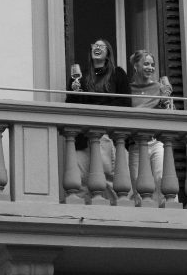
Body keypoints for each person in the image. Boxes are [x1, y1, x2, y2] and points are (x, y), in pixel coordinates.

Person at [66, 39, 131, 202]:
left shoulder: (117, 74)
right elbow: (71, 106)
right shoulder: (80, 77)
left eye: (101, 46)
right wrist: (75, 93)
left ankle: (114, 212)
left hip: (106, 133)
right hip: (82, 137)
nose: (97, 47)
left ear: (108, 52)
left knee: (107, 178)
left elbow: (125, 103)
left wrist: (96, 107)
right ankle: (81, 213)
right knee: (80, 180)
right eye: (94, 45)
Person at [128, 49, 173, 206]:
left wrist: (166, 103)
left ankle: (166, 213)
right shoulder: (128, 90)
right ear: (136, 66)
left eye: (152, 65)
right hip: (136, 144)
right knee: (136, 182)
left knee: (161, 178)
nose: (150, 68)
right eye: (146, 64)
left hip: (156, 141)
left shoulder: (159, 88)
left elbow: (169, 112)